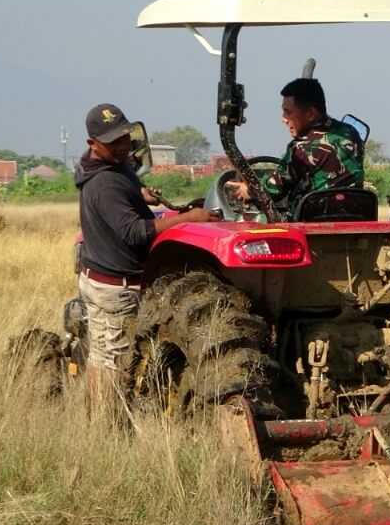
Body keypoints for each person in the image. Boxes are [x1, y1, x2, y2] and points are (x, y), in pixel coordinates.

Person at [75, 103, 216, 404]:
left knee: (109, 353)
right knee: (110, 359)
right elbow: (134, 232)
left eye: (125, 137)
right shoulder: (104, 184)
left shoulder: (107, 165)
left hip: (108, 278)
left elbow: (123, 188)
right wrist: (187, 218)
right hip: (114, 288)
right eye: (113, 142)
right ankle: (106, 425)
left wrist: (140, 194)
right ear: (92, 143)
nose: (122, 146)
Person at [229, 78, 365, 215]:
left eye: (288, 112)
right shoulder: (350, 133)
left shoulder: (303, 149)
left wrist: (249, 191)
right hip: (354, 218)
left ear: (310, 114)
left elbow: (271, 191)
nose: (283, 119)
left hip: (312, 223)